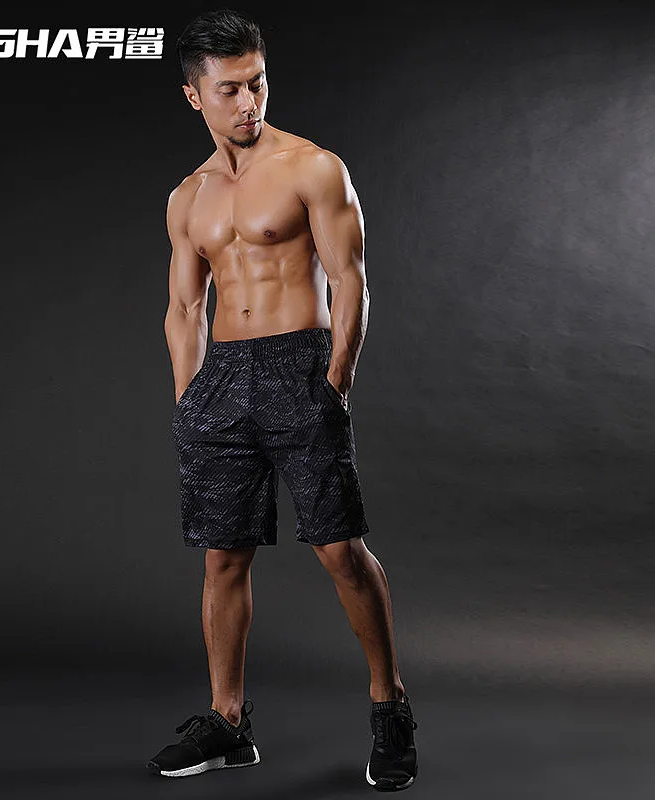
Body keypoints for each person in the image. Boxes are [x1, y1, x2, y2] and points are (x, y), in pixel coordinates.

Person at [147, 9, 418, 792]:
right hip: (221, 378)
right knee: (223, 556)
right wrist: (189, 396)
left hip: (300, 364)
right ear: (194, 95)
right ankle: (228, 722)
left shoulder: (312, 168)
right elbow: (185, 306)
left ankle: (390, 706)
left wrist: (334, 381)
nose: (248, 102)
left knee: (338, 548)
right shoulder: (187, 197)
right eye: (229, 89)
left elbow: (350, 280)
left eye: (257, 83)